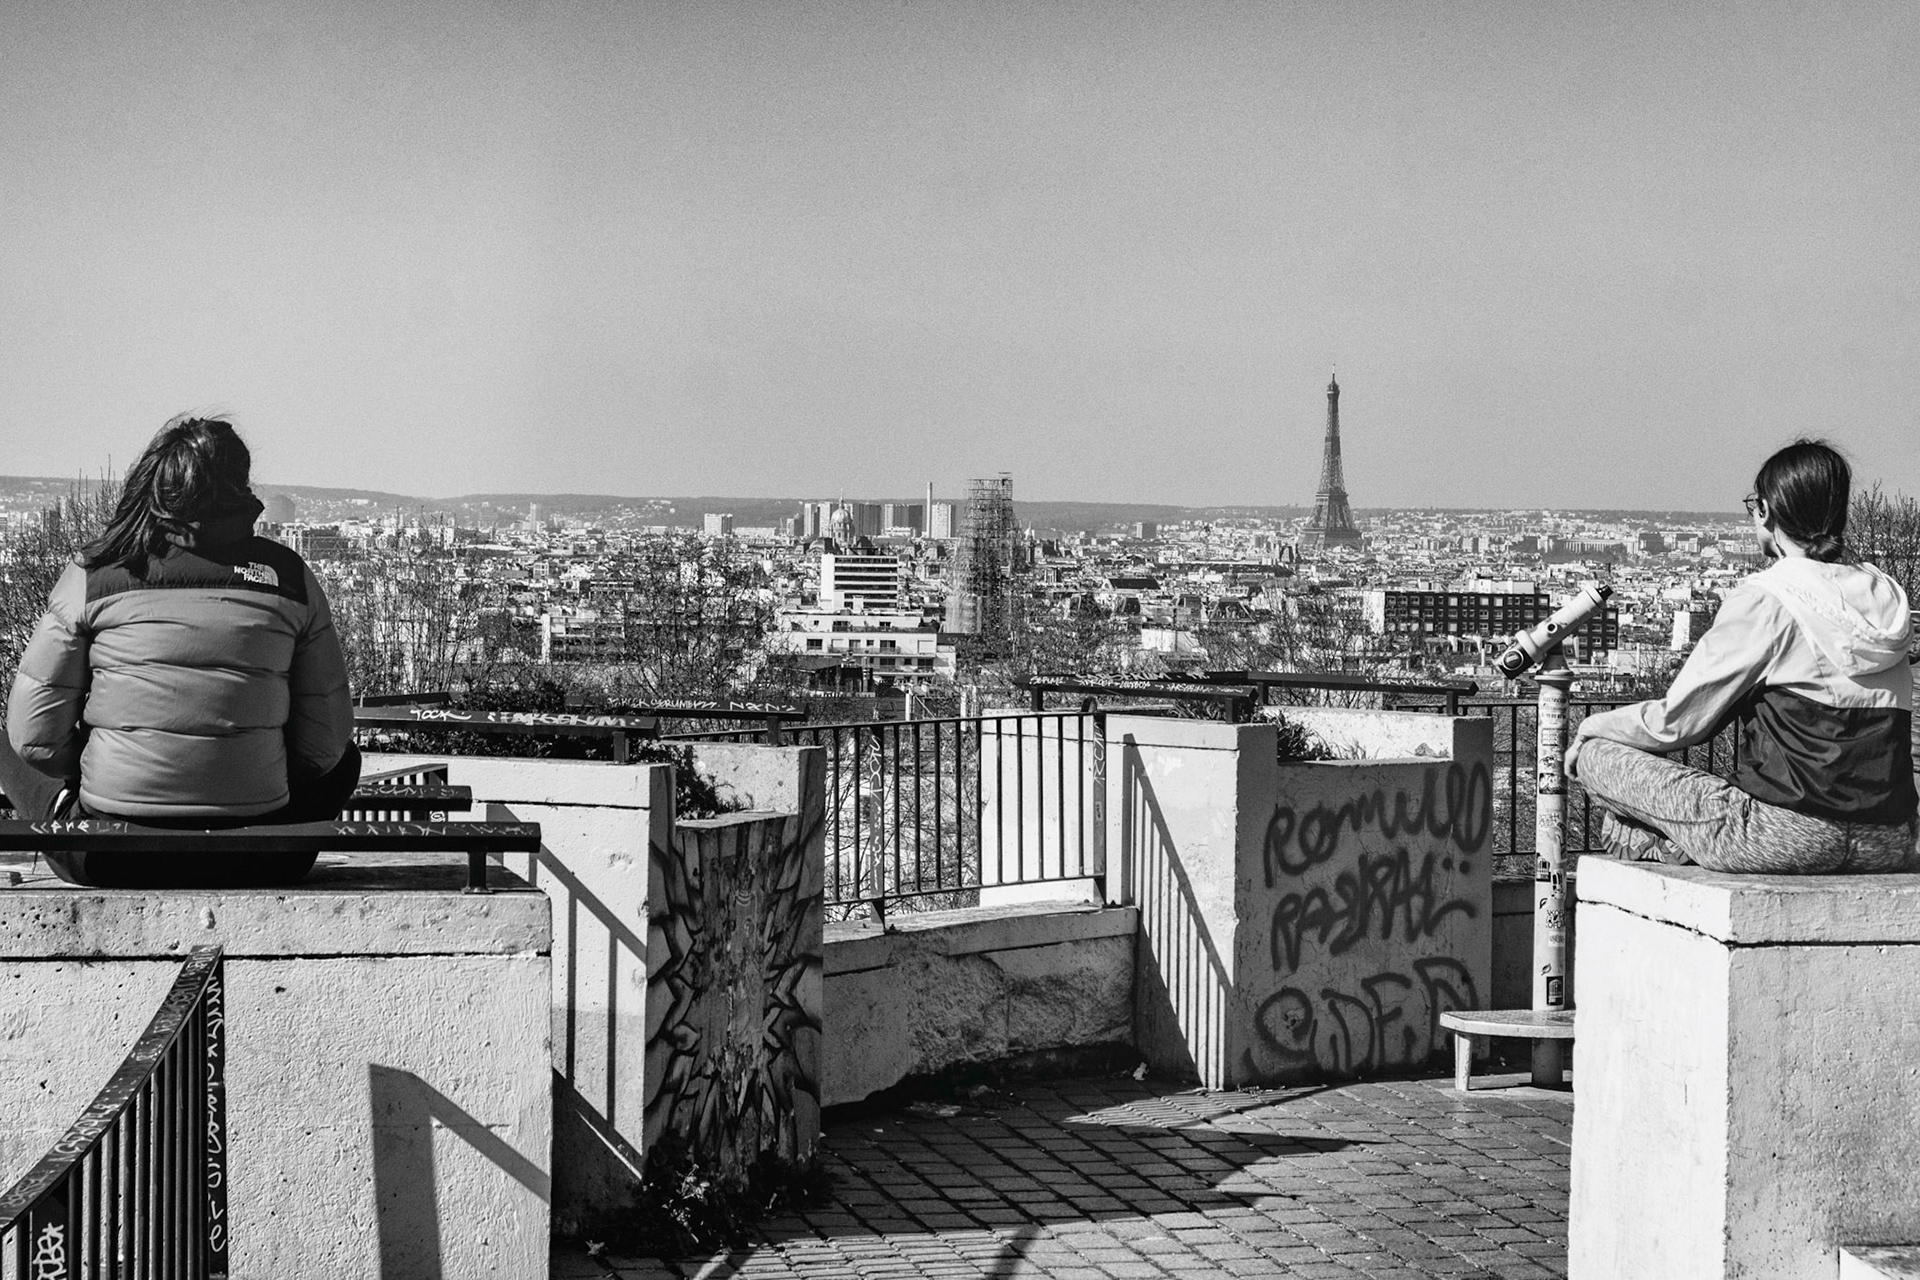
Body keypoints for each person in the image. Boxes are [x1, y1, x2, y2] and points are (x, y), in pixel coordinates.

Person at [1, 415, 358, 887]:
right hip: (262, 854)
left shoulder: (95, 572)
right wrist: (255, 773)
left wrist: (97, 766)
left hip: (108, 853)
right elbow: (325, 744)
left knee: (5, 742)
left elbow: (34, 737)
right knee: (346, 758)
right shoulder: (288, 577)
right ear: (241, 484)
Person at [1568, 439, 1916, 873]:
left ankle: (1667, 839)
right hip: (1889, 839)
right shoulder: (1887, 600)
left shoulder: (1768, 600)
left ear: (1765, 511)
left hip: (1780, 836)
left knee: (1595, 756)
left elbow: (1676, 723)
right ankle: (1669, 839)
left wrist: (1591, 727)